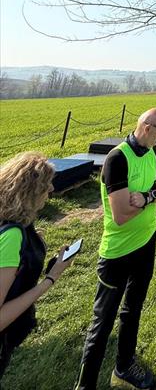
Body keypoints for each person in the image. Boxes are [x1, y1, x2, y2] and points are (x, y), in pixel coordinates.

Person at [74, 109, 156, 390]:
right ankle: (85, 385)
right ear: (147, 127)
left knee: (133, 309)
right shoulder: (117, 159)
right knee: (102, 323)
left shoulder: (154, 153)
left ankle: (124, 367)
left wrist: (147, 196)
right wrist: (153, 194)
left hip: (147, 241)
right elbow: (120, 215)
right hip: (117, 252)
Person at [0, 152, 75, 379]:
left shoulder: (11, 221)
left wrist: (31, 244)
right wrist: (50, 279)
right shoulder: (12, 237)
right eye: (46, 185)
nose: (51, 189)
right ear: (29, 192)